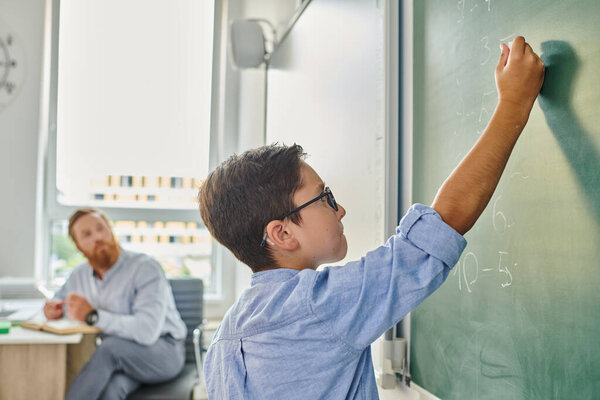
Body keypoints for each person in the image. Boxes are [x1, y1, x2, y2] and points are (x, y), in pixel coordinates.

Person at [197, 36, 544, 398]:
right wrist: (513, 104)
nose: (340, 208)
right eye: (325, 198)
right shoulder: (318, 307)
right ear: (283, 233)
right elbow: (433, 236)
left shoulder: (225, 341)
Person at [43, 208, 187, 400]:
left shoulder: (145, 268)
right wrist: (52, 309)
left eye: (101, 228)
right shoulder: (79, 275)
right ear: (78, 246)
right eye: (87, 234)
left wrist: (92, 316)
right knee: (111, 390)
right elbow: (58, 300)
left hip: (165, 350)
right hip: (125, 359)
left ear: (111, 231)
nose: (97, 237)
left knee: (109, 350)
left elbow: (147, 332)